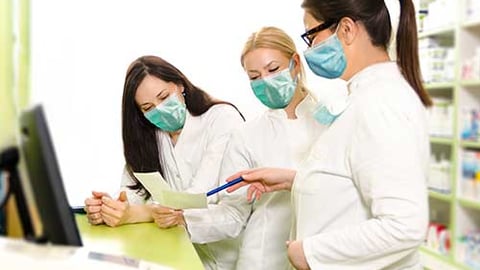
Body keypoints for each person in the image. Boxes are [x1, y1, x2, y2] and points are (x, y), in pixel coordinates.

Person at [226, 1, 432, 269]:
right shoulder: (365, 97)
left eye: (311, 35)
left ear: (346, 29)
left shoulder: (379, 104)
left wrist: (310, 252)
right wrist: (294, 180)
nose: (311, 48)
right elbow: (352, 183)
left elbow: (405, 225)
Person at [151, 26, 326, 269]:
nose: (265, 81)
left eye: (273, 69)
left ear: (295, 63)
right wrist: (184, 220)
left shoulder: (333, 121)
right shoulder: (246, 136)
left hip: (323, 256)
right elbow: (233, 215)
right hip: (262, 259)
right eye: (254, 77)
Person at [83, 55, 245, 269]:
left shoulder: (221, 119)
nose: (159, 109)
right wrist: (111, 207)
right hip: (178, 254)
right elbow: (133, 192)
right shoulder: (148, 136)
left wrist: (142, 213)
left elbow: (198, 196)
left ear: (179, 85)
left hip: (231, 257)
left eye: (164, 96)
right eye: (148, 107)